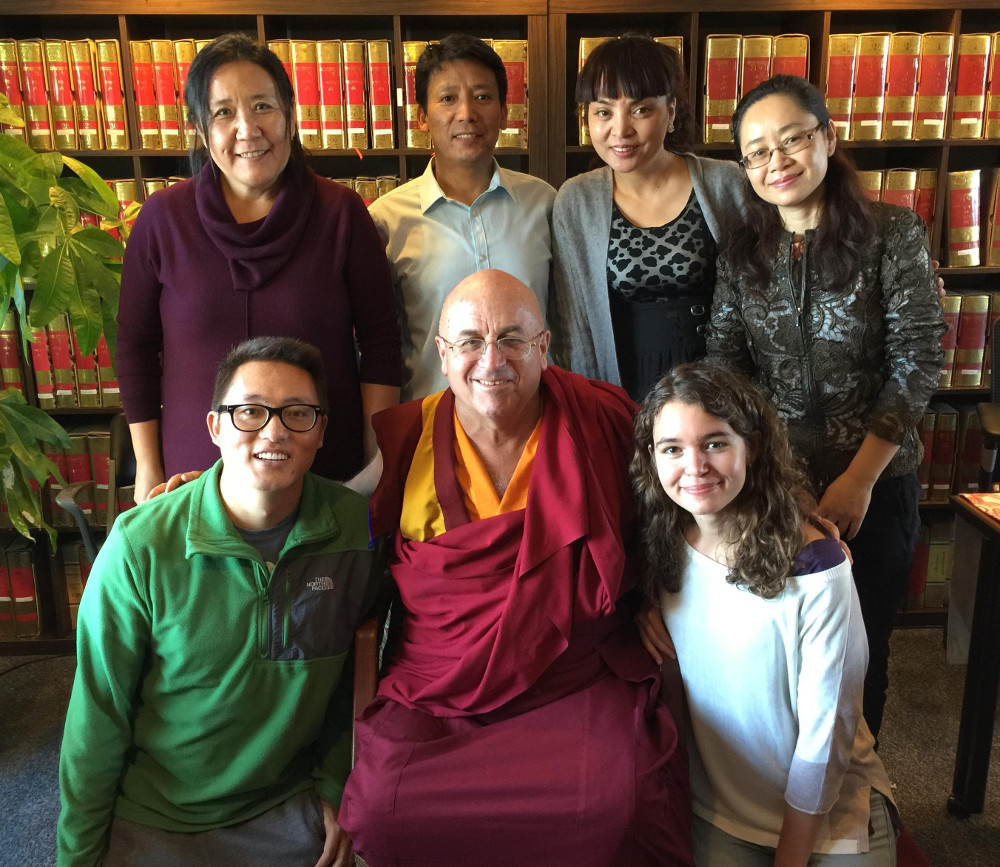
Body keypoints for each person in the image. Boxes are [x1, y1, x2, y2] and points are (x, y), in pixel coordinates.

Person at [337, 270, 692, 866]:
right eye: (471, 341)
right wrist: (216, 491)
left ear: (544, 348)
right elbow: (335, 511)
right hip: (441, 684)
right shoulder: (412, 434)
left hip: (574, 675)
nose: (491, 359)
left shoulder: (600, 420)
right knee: (380, 809)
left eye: (511, 339)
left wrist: (787, 514)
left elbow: (686, 489)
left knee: (619, 807)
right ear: (443, 355)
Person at [57, 337, 383, 867]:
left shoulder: (357, 530)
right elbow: (97, 716)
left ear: (321, 430)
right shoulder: (140, 545)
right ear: (215, 427)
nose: (273, 431)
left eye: (297, 413)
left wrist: (336, 785)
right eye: (249, 411)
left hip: (289, 808)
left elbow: (358, 677)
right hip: (158, 817)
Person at [707, 74, 946, 739]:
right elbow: (726, 366)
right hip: (775, 486)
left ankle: (860, 790)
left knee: (863, 650)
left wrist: (859, 479)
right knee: (780, 646)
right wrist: (769, 476)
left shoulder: (892, 233)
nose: (776, 161)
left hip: (878, 481)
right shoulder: (742, 251)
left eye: (793, 139)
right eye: (756, 150)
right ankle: (787, 795)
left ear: (828, 138)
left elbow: (919, 359)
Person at [117, 32, 401, 502]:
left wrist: (376, 461)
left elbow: (380, 341)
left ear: (290, 117)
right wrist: (148, 468)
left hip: (325, 470)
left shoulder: (342, 214)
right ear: (202, 130)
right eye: (224, 112)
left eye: (262, 106)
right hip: (192, 478)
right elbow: (135, 347)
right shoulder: (163, 220)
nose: (247, 129)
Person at [633, 361, 897, 865]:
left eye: (715, 442)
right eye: (672, 449)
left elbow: (829, 730)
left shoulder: (817, 566)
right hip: (722, 809)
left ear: (751, 446)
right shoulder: (661, 547)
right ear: (652, 458)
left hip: (826, 806)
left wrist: (791, 856)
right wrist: (640, 611)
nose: (694, 467)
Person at [550, 34, 744, 399]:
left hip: (719, 379)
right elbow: (574, 325)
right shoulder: (576, 201)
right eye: (603, 111)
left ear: (670, 111)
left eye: (640, 110)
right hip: (625, 382)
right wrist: (594, 405)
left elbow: (759, 295)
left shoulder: (726, 183)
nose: (620, 130)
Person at [368, 34, 555, 401]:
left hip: (536, 422)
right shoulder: (386, 221)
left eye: (483, 97)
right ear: (422, 116)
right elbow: (379, 346)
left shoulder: (544, 204)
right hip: (429, 426)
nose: (466, 113)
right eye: (448, 98)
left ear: (504, 111)